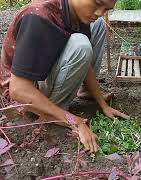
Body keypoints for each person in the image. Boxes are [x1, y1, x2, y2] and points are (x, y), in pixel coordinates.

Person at [0, 0, 128, 153]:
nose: (100, 12)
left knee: (97, 25)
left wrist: (103, 104)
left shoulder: (76, 13)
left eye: (106, 9)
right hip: (20, 102)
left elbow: (84, 62)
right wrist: (75, 122)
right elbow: (18, 90)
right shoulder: (38, 18)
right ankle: (53, 112)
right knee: (81, 44)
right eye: (96, 3)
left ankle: (83, 92)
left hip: (40, 79)